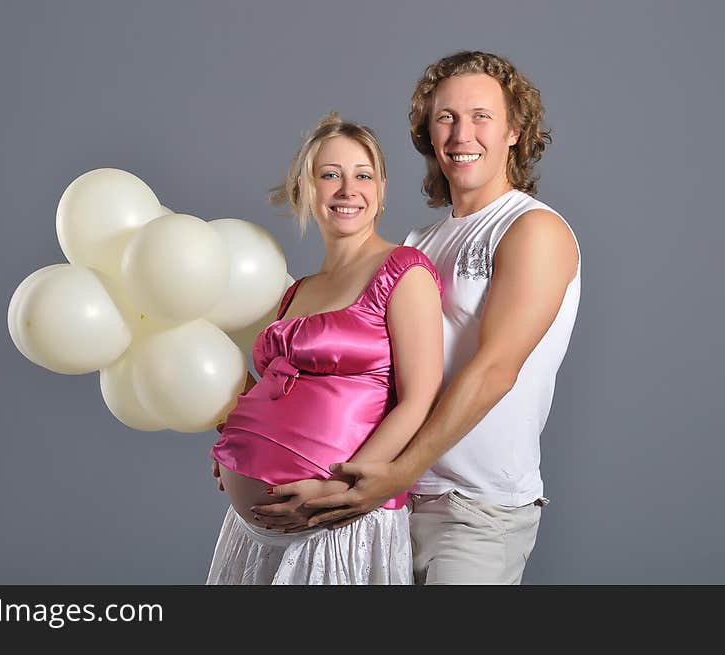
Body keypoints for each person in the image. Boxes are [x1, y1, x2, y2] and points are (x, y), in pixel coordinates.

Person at [251, 51, 581, 585]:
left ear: (515, 131)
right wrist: (253, 442)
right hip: (391, 507)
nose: (460, 134)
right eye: (445, 117)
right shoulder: (418, 245)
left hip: (475, 510)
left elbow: (496, 369)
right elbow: (364, 376)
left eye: (481, 117)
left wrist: (392, 474)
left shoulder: (532, 230)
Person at [206, 112, 444, 584]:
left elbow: (420, 398)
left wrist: (341, 489)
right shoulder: (297, 291)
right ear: (305, 188)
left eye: (363, 176)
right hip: (251, 534)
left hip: (336, 522)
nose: (347, 189)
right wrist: (237, 448)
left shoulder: (404, 270)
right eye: (329, 175)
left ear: (380, 191)